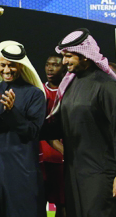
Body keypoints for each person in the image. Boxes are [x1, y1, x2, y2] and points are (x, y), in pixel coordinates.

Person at [43, 29, 116, 217]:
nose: (64, 61)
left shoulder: (108, 85)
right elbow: (59, 126)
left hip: (103, 175)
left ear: (85, 56)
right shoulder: (70, 84)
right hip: (74, 173)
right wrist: (24, 125)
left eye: (68, 56)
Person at [0, 9, 47, 217]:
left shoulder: (34, 94)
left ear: (21, 66)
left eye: (12, 65)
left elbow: (31, 132)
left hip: (21, 170)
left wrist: (10, 113)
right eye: (3, 64)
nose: (7, 69)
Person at [41, 54, 67, 217]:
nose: (50, 68)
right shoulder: (38, 90)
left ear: (63, 67)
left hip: (63, 156)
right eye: (47, 64)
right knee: (37, 201)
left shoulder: (70, 90)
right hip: (40, 155)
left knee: (63, 204)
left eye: (55, 65)